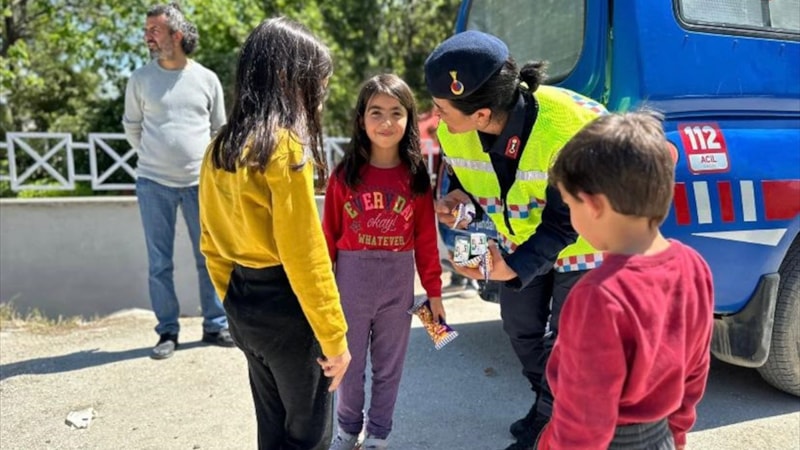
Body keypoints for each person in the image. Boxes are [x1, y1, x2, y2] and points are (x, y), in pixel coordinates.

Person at [424, 30, 607, 450]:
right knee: (520, 328)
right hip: (518, 238)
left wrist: (512, 267)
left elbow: (565, 224)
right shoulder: (456, 132)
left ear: (482, 114)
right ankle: (550, 406)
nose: (435, 118)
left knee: (569, 345)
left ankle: (560, 423)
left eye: (441, 108)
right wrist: (460, 202)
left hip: (587, 244)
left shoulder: (569, 129)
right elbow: (478, 186)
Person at [198, 17, 351, 449]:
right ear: (289, 79)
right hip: (289, 308)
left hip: (244, 306)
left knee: (271, 426)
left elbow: (210, 242)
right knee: (309, 435)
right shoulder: (284, 149)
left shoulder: (219, 148)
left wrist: (231, 298)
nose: (319, 100)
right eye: (317, 86)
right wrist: (335, 338)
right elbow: (305, 254)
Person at [537, 112, 714, 449]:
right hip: (660, 436)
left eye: (569, 205)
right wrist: (676, 434)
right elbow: (695, 369)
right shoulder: (694, 266)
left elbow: (585, 420)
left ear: (593, 205)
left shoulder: (598, 296)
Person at [322, 74, 444, 450]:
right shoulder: (344, 176)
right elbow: (327, 238)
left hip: (397, 287)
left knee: (389, 368)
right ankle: (346, 430)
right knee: (350, 366)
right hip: (350, 286)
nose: (386, 122)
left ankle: (377, 434)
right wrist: (322, 295)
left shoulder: (415, 177)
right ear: (361, 119)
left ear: (409, 119)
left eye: (396, 112)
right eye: (376, 112)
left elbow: (425, 240)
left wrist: (435, 294)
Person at [122, 3, 232, 359]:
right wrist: (157, 157)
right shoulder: (140, 79)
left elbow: (218, 131)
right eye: (146, 30)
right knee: (160, 262)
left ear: (177, 35)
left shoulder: (206, 79)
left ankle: (215, 325)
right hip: (153, 184)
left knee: (209, 257)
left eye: (154, 30)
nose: (147, 37)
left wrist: (199, 167)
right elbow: (132, 127)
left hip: (201, 185)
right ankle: (167, 330)